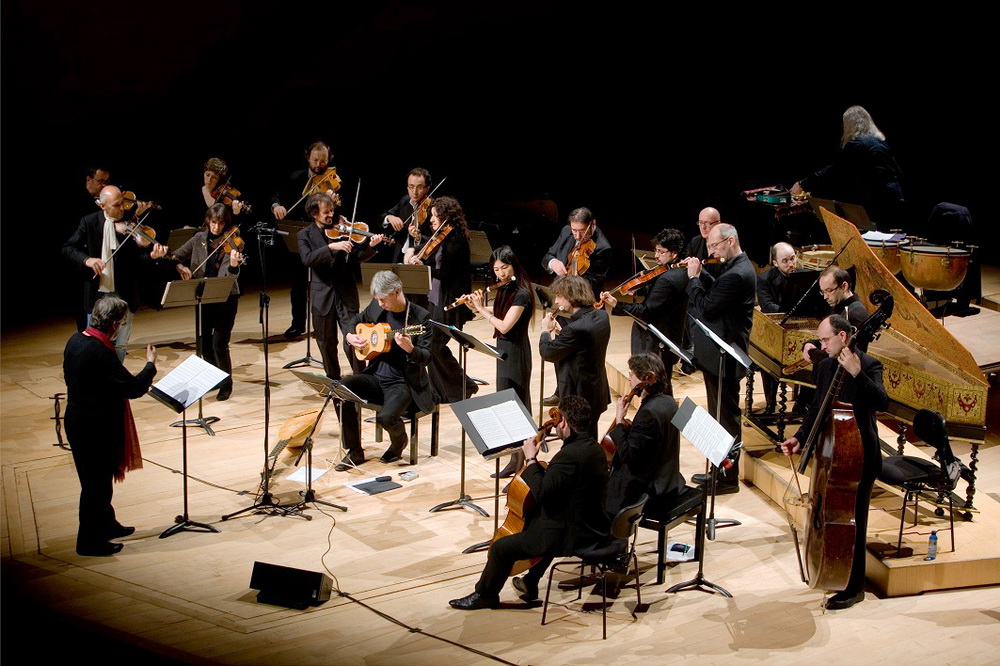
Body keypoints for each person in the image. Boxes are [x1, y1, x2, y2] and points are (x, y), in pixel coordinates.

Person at [449, 395, 610, 610]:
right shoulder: (593, 448)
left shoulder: (569, 455)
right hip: (592, 523)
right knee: (535, 519)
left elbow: (543, 492)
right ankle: (530, 582)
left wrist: (531, 460)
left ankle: (485, 595)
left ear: (563, 422)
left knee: (500, 548)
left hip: (572, 534)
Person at [781, 314, 888, 610]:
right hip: (831, 454)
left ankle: (855, 588)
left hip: (860, 456)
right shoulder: (826, 366)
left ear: (843, 337)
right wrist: (800, 439)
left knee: (857, 522)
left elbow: (882, 402)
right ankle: (833, 570)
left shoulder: (868, 365)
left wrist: (857, 374)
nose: (821, 345)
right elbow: (817, 409)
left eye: (825, 340)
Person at [63, 295, 158, 556]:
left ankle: (106, 524)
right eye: (123, 322)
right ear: (115, 324)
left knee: (98, 481)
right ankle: (89, 542)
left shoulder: (76, 340)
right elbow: (135, 388)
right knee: (95, 485)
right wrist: (150, 364)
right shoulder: (100, 352)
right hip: (92, 427)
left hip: (78, 420)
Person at [339, 271, 435, 468]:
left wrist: (410, 349)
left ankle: (399, 442)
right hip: (375, 374)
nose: (380, 304)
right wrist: (350, 336)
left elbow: (427, 357)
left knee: (386, 417)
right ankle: (354, 450)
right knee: (341, 390)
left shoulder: (420, 319)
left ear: (397, 292)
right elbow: (355, 320)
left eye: (383, 299)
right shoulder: (376, 306)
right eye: (377, 299)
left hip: (403, 382)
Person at [686, 223, 756, 493]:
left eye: (714, 246)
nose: (711, 251)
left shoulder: (738, 273)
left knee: (725, 419)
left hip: (725, 357)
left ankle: (727, 478)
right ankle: (719, 472)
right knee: (718, 419)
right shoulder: (737, 266)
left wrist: (693, 279)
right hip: (718, 355)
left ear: (729, 241)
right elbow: (718, 293)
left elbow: (707, 308)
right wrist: (703, 274)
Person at [62, 185, 168, 361]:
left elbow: (139, 261)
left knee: (120, 344)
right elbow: (67, 248)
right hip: (97, 294)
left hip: (124, 293)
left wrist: (152, 256)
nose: (122, 208)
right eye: (116, 205)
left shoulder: (130, 225)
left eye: (122, 204)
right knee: (94, 343)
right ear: (103, 206)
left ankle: (115, 380)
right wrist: (87, 260)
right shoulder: (89, 222)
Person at [465, 245, 536, 478]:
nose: (500, 273)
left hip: (516, 353)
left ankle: (524, 465)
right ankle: (514, 460)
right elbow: (499, 311)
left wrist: (480, 310)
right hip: (503, 350)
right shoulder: (505, 288)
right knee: (506, 407)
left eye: (504, 268)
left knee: (518, 408)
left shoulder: (522, 293)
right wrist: (474, 305)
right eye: (496, 269)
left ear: (514, 265)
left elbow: (504, 325)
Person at [298, 192, 384, 380]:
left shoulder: (343, 229)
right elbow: (307, 259)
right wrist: (331, 247)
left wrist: (372, 247)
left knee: (355, 339)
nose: (331, 215)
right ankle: (333, 379)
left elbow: (356, 258)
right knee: (326, 342)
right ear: (314, 214)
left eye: (332, 211)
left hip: (345, 294)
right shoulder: (304, 235)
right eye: (326, 212)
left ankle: (362, 378)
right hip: (322, 297)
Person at [405, 195, 478, 403]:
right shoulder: (443, 236)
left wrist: (424, 268)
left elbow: (446, 273)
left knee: (435, 345)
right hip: (436, 297)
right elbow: (429, 253)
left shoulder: (455, 239)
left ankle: (461, 386)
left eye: (435, 216)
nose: (431, 220)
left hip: (449, 301)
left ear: (446, 216)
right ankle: (452, 388)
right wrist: (417, 248)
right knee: (433, 344)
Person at [599, 228, 688, 395]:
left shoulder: (668, 279)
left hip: (655, 342)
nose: (656, 256)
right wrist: (641, 289)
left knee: (654, 389)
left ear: (674, 253)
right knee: (662, 387)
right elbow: (663, 300)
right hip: (669, 336)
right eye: (656, 250)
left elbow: (646, 311)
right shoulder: (680, 272)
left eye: (661, 252)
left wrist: (617, 304)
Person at [169, 204, 244, 400]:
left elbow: (229, 275)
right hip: (202, 296)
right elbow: (175, 255)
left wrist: (235, 265)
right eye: (213, 222)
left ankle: (227, 384)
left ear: (226, 223)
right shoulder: (198, 239)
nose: (216, 228)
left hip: (225, 297)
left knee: (219, 343)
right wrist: (180, 267)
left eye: (220, 223)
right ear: (207, 221)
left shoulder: (233, 243)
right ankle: (214, 378)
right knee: (203, 343)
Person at [791, 105, 905, 230]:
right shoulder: (880, 142)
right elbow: (897, 171)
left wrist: (803, 184)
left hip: (878, 202)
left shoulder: (856, 144)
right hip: (895, 197)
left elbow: (834, 171)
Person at [605, 353, 688, 517]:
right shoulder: (669, 402)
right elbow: (654, 441)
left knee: (604, 487)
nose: (629, 378)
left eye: (632, 374)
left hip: (652, 489)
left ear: (644, 379)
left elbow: (628, 455)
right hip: (670, 479)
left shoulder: (648, 413)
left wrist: (620, 420)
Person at [271, 141, 339, 339]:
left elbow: (342, 207)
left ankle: (326, 323)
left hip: (325, 236)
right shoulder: (296, 177)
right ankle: (298, 324)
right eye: (315, 160)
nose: (319, 164)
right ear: (308, 157)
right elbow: (276, 192)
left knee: (326, 282)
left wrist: (332, 200)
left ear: (329, 160)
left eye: (323, 161)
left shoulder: (333, 181)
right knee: (298, 283)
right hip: (301, 235)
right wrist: (276, 205)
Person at [540, 275, 611, 439]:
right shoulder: (601, 316)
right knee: (590, 437)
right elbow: (585, 345)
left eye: (559, 296)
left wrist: (546, 331)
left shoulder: (574, 329)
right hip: (596, 391)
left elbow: (548, 353)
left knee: (578, 440)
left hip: (578, 396)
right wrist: (560, 333)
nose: (556, 301)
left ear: (571, 296)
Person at [757, 242, 805, 412]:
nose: (791, 264)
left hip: (799, 327)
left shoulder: (805, 275)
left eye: (793, 258)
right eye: (785, 261)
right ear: (775, 262)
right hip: (775, 328)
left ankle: (802, 404)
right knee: (770, 360)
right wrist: (791, 312)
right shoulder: (764, 279)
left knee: (812, 359)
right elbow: (768, 306)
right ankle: (770, 403)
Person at [801, 266, 870, 363]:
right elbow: (832, 343)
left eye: (829, 291)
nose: (825, 297)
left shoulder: (856, 313)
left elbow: (847, 355)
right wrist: (810, 344)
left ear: (844, 286)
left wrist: (813, 353)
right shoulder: (838, 306)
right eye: (823, 292)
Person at [541, 207, 612, 301]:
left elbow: (592, 282)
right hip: (560, 296)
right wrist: (553, 263)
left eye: (582, 231)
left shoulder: (602, 247)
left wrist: (570, 280)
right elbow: (547, 257)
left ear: (593, 224)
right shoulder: (566, 231)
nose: (578, 236)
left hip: (585, 301)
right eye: (574, 230)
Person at [379, 167, 434, 263]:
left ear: (427, 188)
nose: (414, 192)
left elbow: (436, 238)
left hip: (419, 259)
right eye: (411, 187)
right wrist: (389, 218)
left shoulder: (433, 208)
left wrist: (419, 237)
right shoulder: (405, 201)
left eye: (419, 187)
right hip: (399, 256)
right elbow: (380, 218)